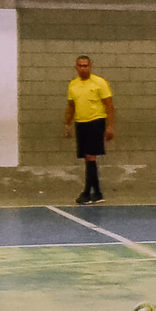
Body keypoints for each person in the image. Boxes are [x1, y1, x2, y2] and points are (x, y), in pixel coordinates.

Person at [64, 55, 114, 205]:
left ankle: (86, 192)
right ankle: (97, 192)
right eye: (80, 65)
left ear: (90, 66)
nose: (83, 68)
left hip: (96, 122)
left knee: (91, 156)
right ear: (76, 67)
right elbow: (71, 107)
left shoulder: (100, 83)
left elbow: (109, 106)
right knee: (87, 158)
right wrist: (67, 124)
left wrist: (110, 126)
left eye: (86, 65)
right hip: (81, 123)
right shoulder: (73, 85)